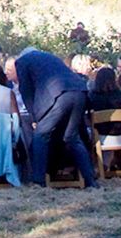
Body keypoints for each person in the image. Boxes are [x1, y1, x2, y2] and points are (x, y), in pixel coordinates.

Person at [13, 46, 98, 189]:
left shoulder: (22, 61)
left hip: (59, 94)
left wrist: (34, 118)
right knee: (72, 137)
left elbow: (25, 90)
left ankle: (38, 183)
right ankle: (90, 181)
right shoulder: (50, 57)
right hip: (80, 91)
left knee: (40, 136)